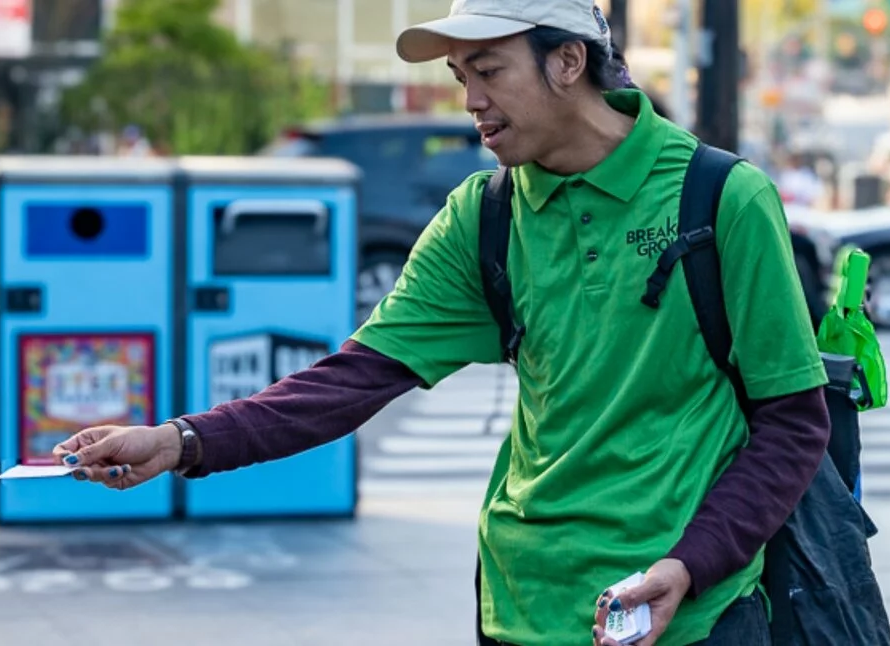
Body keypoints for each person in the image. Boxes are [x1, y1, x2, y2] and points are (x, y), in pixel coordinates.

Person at [52, 2, 831, 645]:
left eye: (488, 71)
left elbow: (792, 421)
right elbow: (357, 377)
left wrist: (692, 563)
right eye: (461, 76)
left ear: (566, 62)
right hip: (519, 605)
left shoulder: (723, 200)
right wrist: (180, 440)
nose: (470, 102)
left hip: (689, 610)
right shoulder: (481, 215)